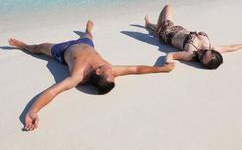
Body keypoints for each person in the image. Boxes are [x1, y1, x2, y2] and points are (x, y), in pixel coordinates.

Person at [8, 20, 175, 131]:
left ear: (99, 71)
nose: (113, 70)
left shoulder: (77, 76)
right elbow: (136, 69)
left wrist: (33, 111)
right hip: (87, 44)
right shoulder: (109, 71)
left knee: (38, 48)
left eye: (110, 71)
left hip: (63, 50)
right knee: (88, 36)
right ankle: (88, 29)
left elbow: (53, 91)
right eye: (112, 72)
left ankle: (24, 46)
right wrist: (160, 69)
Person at [144, 5, 242, 69]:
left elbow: (171, 55)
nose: (200, 54)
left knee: (168, 7)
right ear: (212, 51)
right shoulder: (213, 47)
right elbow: (230, 47)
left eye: (201, 59)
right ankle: (151, 26)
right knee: (157, 26)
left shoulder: (190, 54)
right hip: (179, 29)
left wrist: (167, 63)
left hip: (167, 33)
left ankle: (154, 27)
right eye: (204, 53)